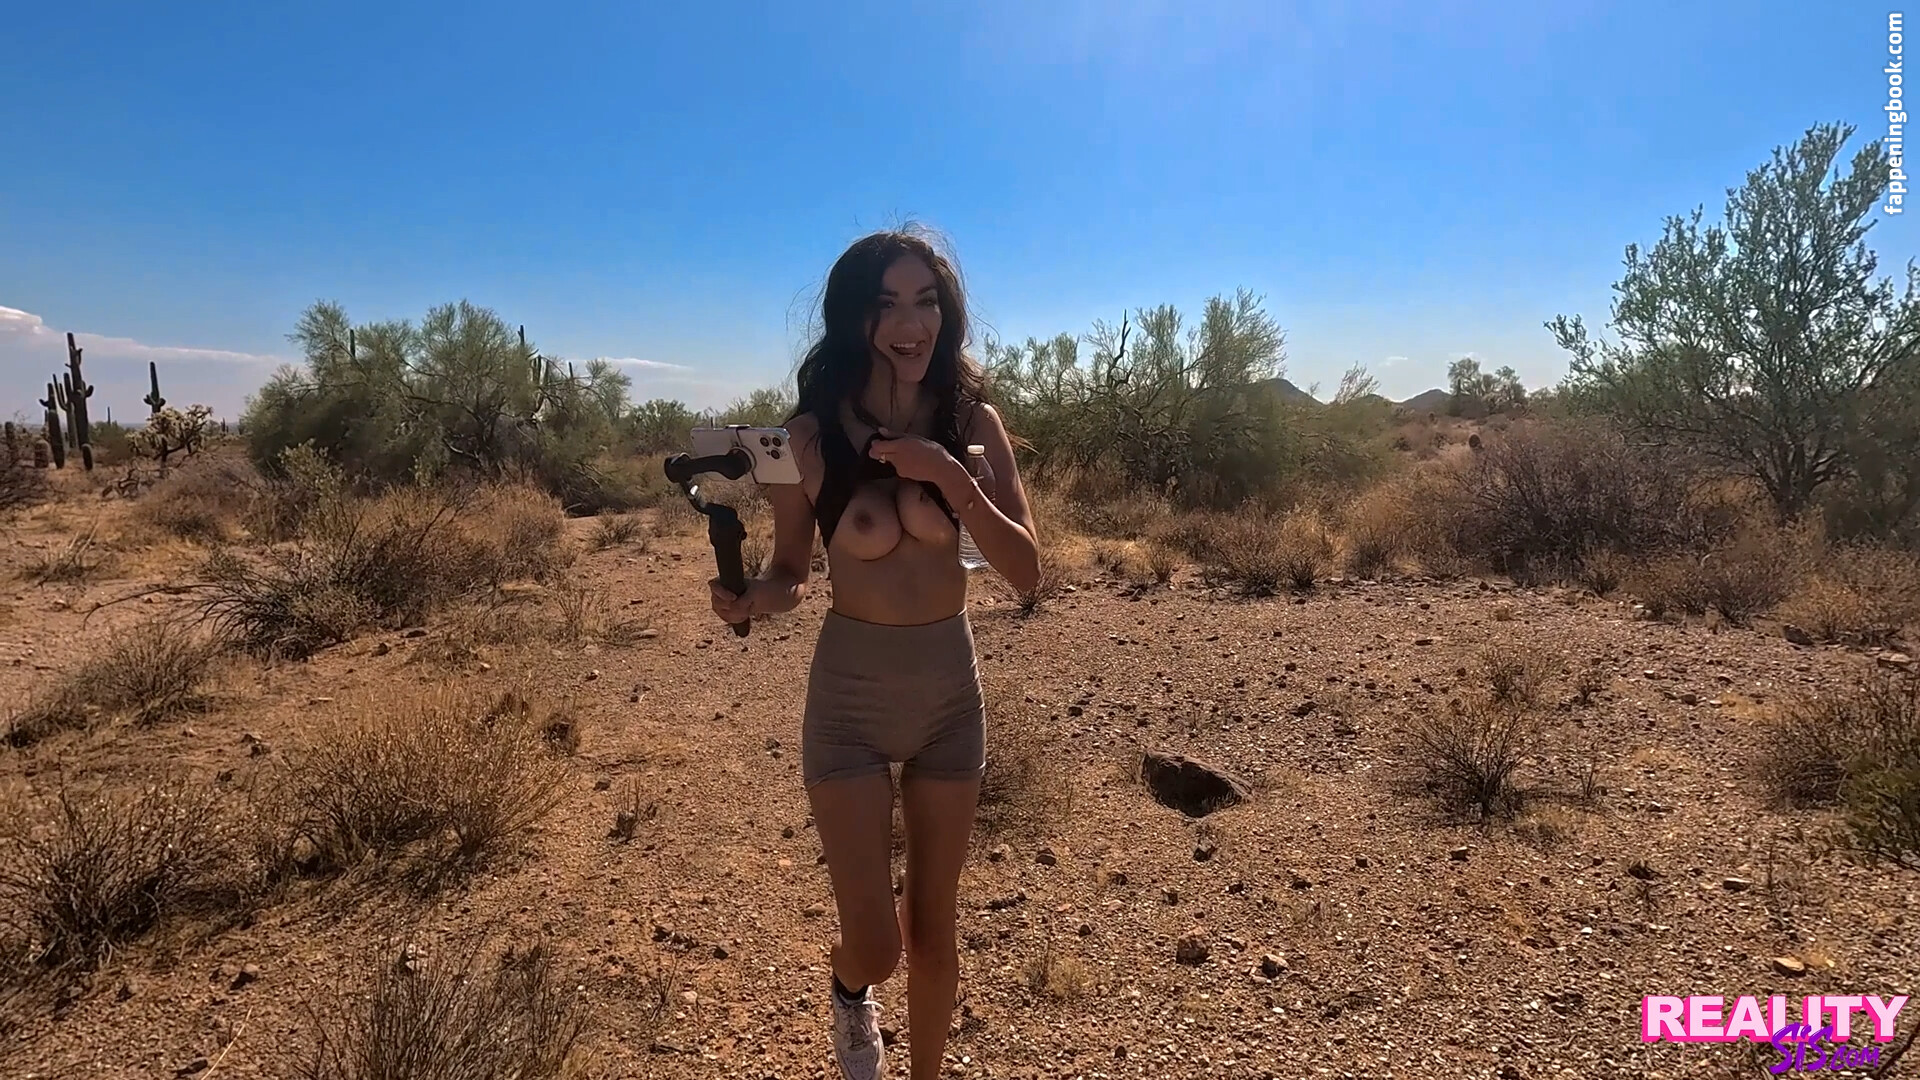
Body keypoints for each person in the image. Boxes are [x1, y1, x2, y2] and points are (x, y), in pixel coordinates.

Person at [708, 227, 1041, 1080]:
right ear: (855, 317)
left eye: (926, 302)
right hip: (849, 704)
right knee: (879, 946)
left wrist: (948, 474)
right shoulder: (807, 440)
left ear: (946, 314)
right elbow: (790, 573)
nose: (910, 324)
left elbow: (1027, 573)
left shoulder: (973, 424)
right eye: (887, 304)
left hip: (948, 700)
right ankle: (849, 988)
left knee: (933, 933)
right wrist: (751, 599)